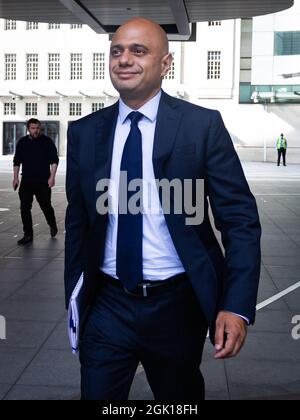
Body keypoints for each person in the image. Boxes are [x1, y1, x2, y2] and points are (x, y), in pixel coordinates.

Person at [65, 18, 261, 400]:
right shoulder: (85, 132)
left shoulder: (201, 126)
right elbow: (79, 225)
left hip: (177, 305)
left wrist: (236, 307)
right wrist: (75, 296)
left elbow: (240, 222)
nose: (124, 59)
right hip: (107, 304)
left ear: (166, 64)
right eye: (117, 50)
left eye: (138, 51)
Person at [13, 118, 59, 245]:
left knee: (46, 206)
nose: (36, 131)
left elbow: (54, 160)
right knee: (24, 208)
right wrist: (15, 177)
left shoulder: (47, 142)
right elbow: (17, 161)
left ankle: (52, 224)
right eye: (33, 128)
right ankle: (28, 234)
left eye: (38, 128)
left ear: (40, 128)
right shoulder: (22, 142)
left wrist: (52, 177)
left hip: (43, 181)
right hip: (27, 181)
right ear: (28, 129)